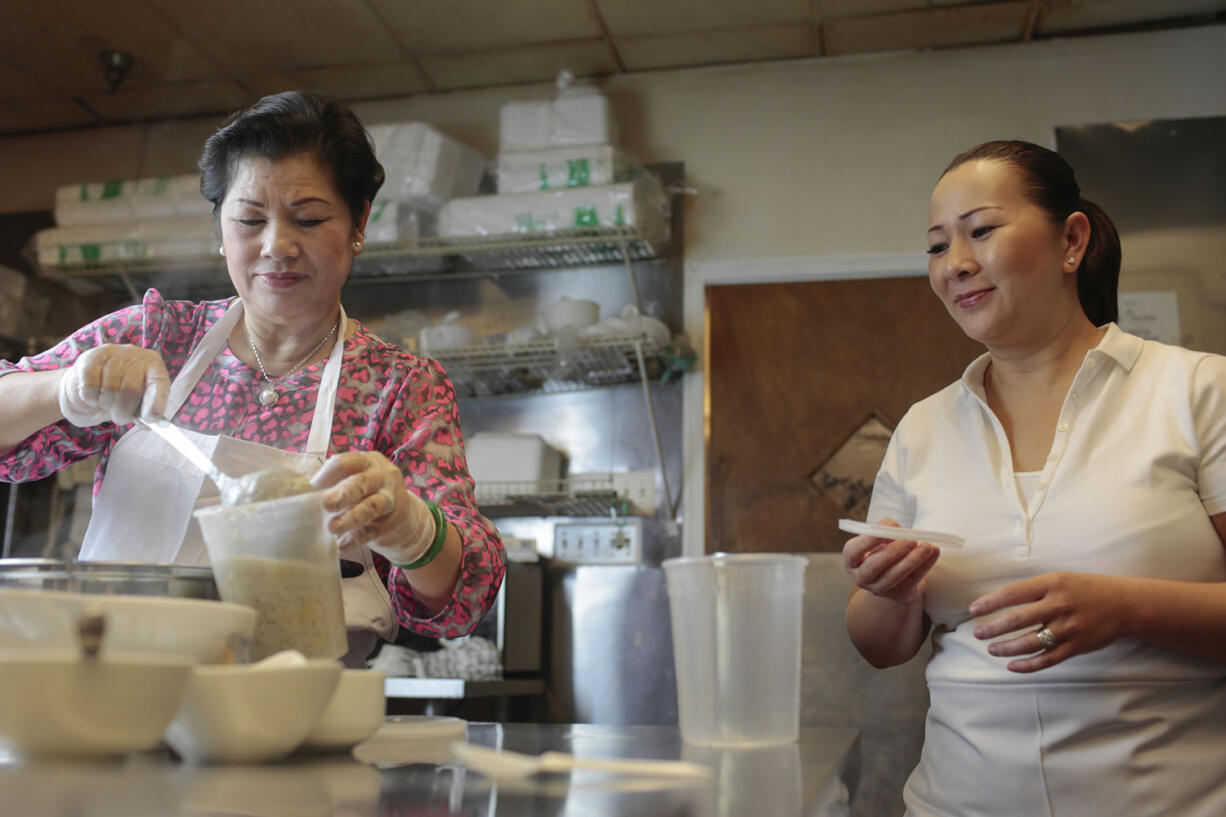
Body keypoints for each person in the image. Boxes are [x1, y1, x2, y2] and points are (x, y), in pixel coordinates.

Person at [0, 91, 505, 666]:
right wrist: (63, 387)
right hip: (110, 690)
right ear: (219, 226)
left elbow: (464, 595)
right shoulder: (158, 335)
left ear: (359, 221)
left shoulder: (398, 386)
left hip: (299, 715)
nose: (276, 247)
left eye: (309, 219)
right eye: (249, 219)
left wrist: (411, 529)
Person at [843, 140, 1226, 815]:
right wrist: (888, 590)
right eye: (936, 247)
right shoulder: (924, 428)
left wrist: (1126, 607)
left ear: (1071, 240)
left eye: (982, 230)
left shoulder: (1198, 389)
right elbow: (881, 646)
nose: (955, 264)